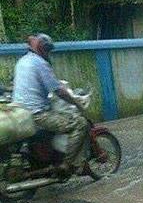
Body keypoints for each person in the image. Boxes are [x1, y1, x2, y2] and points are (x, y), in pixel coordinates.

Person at [12, 33, 87, 174]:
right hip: (37, 114)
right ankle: (66, 165)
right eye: (47, 50)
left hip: (20, 112)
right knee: (80, 123)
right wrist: (77, 103)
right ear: (42, 49)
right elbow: (59, 91)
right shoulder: (40, 63)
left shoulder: (22, 61)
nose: (48, 53)